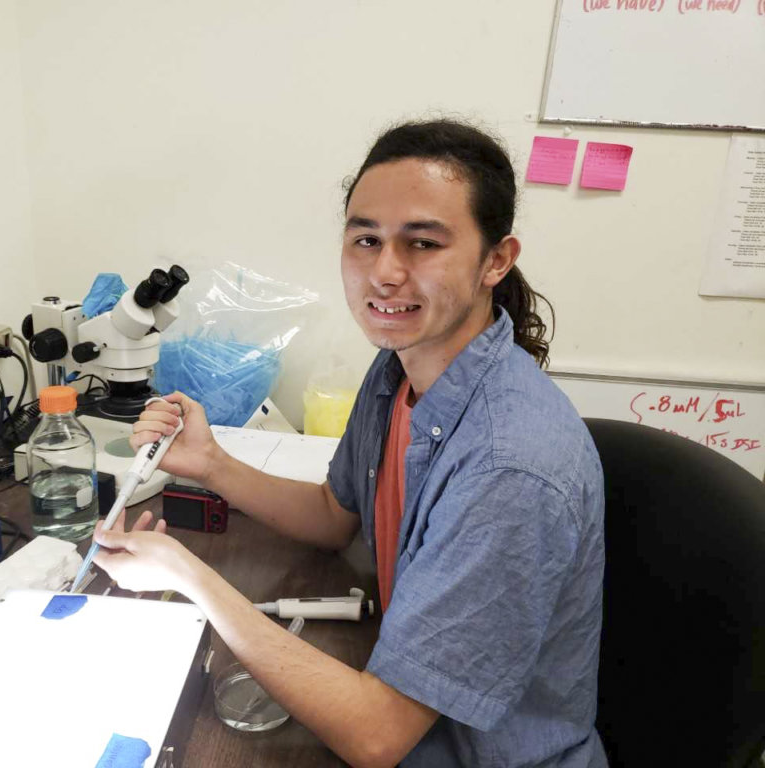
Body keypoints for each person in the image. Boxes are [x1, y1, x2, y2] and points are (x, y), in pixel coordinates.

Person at [93, 119, 607, 767]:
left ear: (495, 261)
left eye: (423, 243)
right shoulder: (400, 368)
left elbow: (377, 735)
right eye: (366, 239)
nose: (385, 272)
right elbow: (338, 515)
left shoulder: (511, 468)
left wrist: (188, 577)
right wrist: (213, 465)